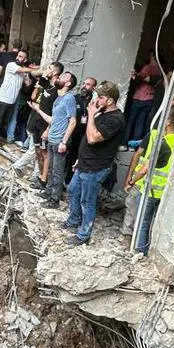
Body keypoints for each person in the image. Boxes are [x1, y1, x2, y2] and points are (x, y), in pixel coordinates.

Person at [65, 81, 125, 245]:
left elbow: (92, 138)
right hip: (85, 163)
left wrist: (91, 114)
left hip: (95, 167)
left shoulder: (115, 119)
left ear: (110, 100)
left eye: (100, 97)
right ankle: (73, 221)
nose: (95, 100)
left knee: (87, 201)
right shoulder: (102, 113)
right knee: (72, 190)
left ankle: (83, 235)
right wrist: (80, 159)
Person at [123, 106, 174, 254]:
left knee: (143, 223)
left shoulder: (163, 143)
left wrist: (131, 181)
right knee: (152, 223)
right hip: (167, 192)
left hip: (151, 190)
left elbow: (145, 168)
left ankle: (140, 251)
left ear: (168, 122)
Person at [30, 71, 77, 207]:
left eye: (64, 76)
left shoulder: (69, 98)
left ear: (68, 83)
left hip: (60, 141)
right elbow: (53, 120)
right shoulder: (58, 99)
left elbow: (73, 121)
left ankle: (55, 200)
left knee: (57, 171)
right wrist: (38, 110)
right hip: (52, 139)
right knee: (50, 169)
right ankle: (48, 192)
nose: (60, 77)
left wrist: (64, 141)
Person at [0, 49, 40, 146]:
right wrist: (36, 69)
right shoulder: (11, 65)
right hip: (3, 98)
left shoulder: (23, 71)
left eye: (21, 57)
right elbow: (22, 70)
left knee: (5, 121)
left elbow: (27, 83)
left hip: (11, 100)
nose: (17, 58)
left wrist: (36, 79)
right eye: (18, 55)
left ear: (25, 60)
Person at [27, 62, 62, 181]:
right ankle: (40, 176)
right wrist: (44, 74)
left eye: (49, 68)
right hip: (37, 122)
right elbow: (34, 75)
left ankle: (44, 179)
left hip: (45, 126)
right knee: (38, 151)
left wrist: (48, 129)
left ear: (55, 72)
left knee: (45, 153)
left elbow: (54, 113)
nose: (46, 70)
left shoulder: (57, 90)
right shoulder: (46, 84)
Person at [125, 51, 163, 143]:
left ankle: (123, 143)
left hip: (140, 98)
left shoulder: (148, 67)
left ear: (152, 56)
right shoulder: (160, 69)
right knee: (140, 122)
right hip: (150, 99)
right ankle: (134, 145)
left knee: (130, 121)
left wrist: (135, 74)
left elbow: (140, 76)